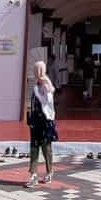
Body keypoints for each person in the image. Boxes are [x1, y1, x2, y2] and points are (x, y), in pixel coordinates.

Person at [25, 60, 58, 188]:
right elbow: (32, 104)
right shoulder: (35, 86)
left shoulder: (46, 85)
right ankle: (33, 175)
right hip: (35, 121)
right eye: (35, 70)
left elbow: (47, 101)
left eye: (38, 70)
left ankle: (50, 171)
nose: (36, 73)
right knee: (34, 148)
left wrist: (45, 84)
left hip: (45, 121)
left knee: (46, 148)